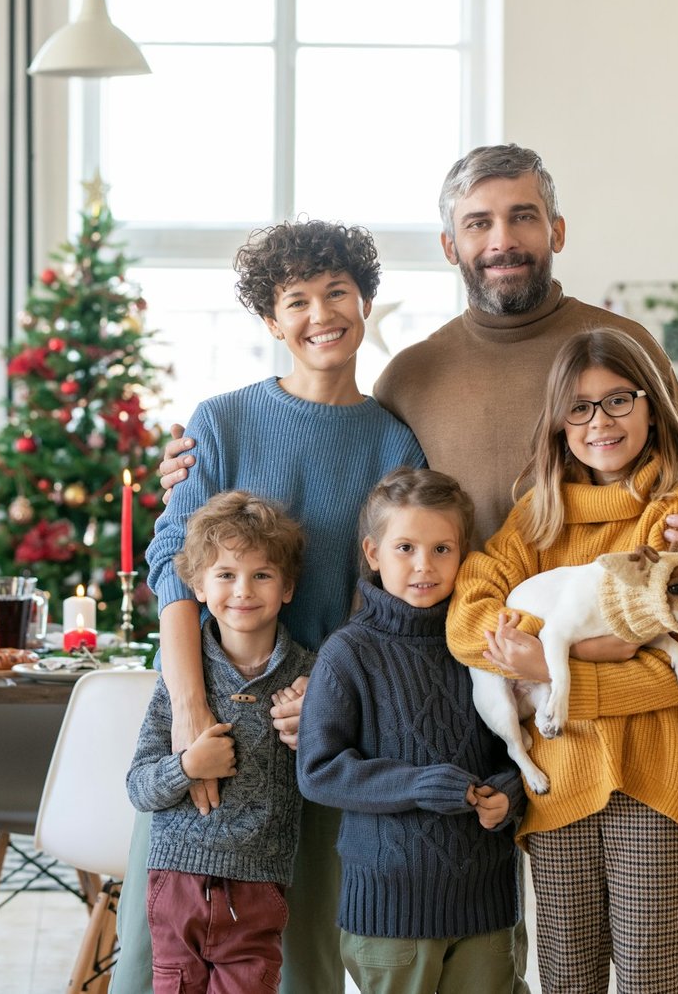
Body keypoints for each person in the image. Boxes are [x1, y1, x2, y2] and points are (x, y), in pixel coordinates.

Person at [157, 144, 678, 993]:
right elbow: (373, 516)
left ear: (555, 228)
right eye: (479, 222)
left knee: (655, 955)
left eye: (520, 217)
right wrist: (185, 473)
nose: (501, 239)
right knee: (537, 943)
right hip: (465, 683)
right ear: (450, 246)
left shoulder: (621, 347)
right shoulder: (413, 375)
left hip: (624, 720)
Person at [113, 219, 429, 994]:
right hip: (207, 722)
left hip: (317, 726)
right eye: (297, 299)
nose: (321, 313)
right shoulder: (221, 421)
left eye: (337, 292)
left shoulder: (396, 447)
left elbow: (386, 597)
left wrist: (324, 695)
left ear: (365, 300)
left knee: (301, 962)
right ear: (270, 320)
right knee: (150, 959)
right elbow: (173, 566)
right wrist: (189, 708)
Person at [448, 327, 678, 993]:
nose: (598, 421)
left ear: (652, 408)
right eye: (579, 407)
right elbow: (469, 615)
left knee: (648, 979)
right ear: (558, 423)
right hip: (560, 780)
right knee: (566, 979)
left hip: (657, 781)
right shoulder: (537, 517)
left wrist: (551, 664)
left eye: (617, 400)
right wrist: (544, 644)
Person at [299, 467, 525, 993]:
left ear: (464, 552)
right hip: (389, 913)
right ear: (374, 553)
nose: (424, 565)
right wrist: (421, 785)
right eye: (405, 548)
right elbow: (320, 771)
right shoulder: (349, 653)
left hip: (487, 904)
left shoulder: (484, 643)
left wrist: (509, 793)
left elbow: (519, 745)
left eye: (442, 549)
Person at [127, 491, 317, 993]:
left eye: (261, 574)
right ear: (197, 583)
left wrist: (311, 735)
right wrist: (187, 765)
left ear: (288, 586)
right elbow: (138, 788)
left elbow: (330, 774)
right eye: (226, 575)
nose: (243, 590)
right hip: (175, 888)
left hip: (258, 891)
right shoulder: (179, 675)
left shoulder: (310, 677)